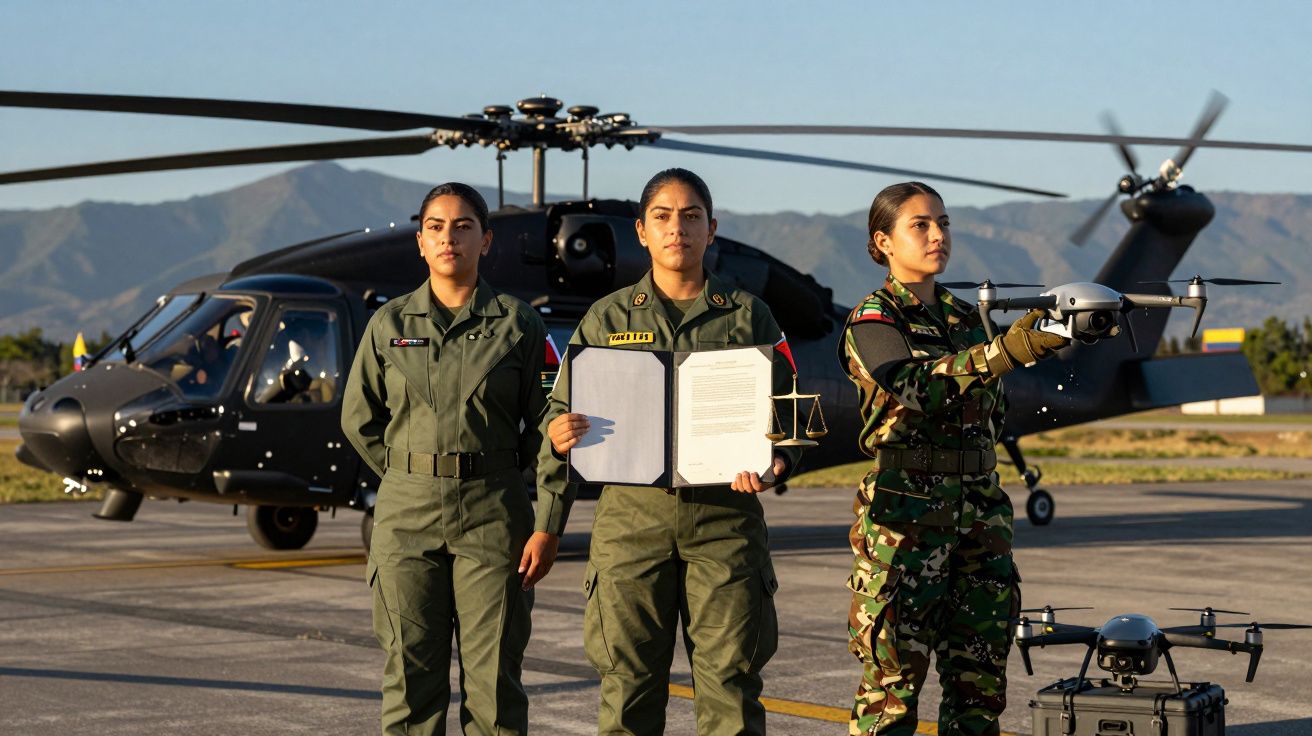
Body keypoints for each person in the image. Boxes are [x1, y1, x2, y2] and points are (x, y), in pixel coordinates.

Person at [539, 168, 803, 736]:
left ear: (712, 230)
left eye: (691, 217)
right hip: (630, 525)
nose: (676, 228)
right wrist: (557, 442)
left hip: (725, 521)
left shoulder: (748, 316)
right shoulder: (604, 319)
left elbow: (791, 413)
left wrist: (779, 461)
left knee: (730, 692)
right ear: (640, 230)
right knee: (627, 691)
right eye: (662, 216)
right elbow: (556, 416)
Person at [840, 181, 1068, 736]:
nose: (938, 234)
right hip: (906, 527)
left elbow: (991, 413)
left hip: (980, 521)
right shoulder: (874, 319)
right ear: (884, 241)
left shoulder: (969, 319)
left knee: (979, 690)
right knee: (891, 696)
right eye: (920, 224)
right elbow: (914, 386)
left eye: (943, 222)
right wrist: (1009, 350)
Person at [341, 182, 562, 736]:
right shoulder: (388, 325)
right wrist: (408, 473)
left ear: (486, 241)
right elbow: (358, 419)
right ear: (420, 242)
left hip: (493, 513)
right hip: (406, 519)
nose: (449, 238)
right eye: (436, 227)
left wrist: (548, 519)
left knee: (494, 691)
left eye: (463, 227)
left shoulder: (518, 324)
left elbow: (551, 425)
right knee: (411, 689)